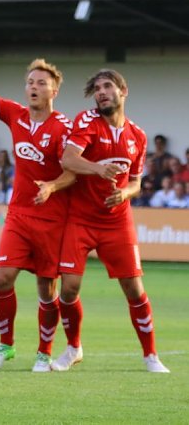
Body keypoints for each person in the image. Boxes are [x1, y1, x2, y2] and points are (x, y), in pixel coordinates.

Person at [0, 22, 75, 372]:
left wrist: (52, 186)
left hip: (52, 218)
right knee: (3, 278)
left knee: (46, 288)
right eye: (30, 82)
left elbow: (73, 171)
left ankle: (44, 351)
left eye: (41, 83)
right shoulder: (16, 115)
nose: (33, 87)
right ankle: (5, 345)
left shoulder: (64, 128)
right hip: (19, 215)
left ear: (54, 91)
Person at [53, 68, 169, 373]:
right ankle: (73, 348)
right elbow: (68, 159)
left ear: (123, 91)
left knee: (134, 289)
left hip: (117, 222)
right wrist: (97, 168)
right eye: (97, 89)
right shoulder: (87, 121)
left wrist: (124, 194)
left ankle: (151, 356)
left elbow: (136, 182)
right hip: (80, 219)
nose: (101, 92)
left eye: (107, 86)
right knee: (69, 289)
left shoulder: (137, 135)